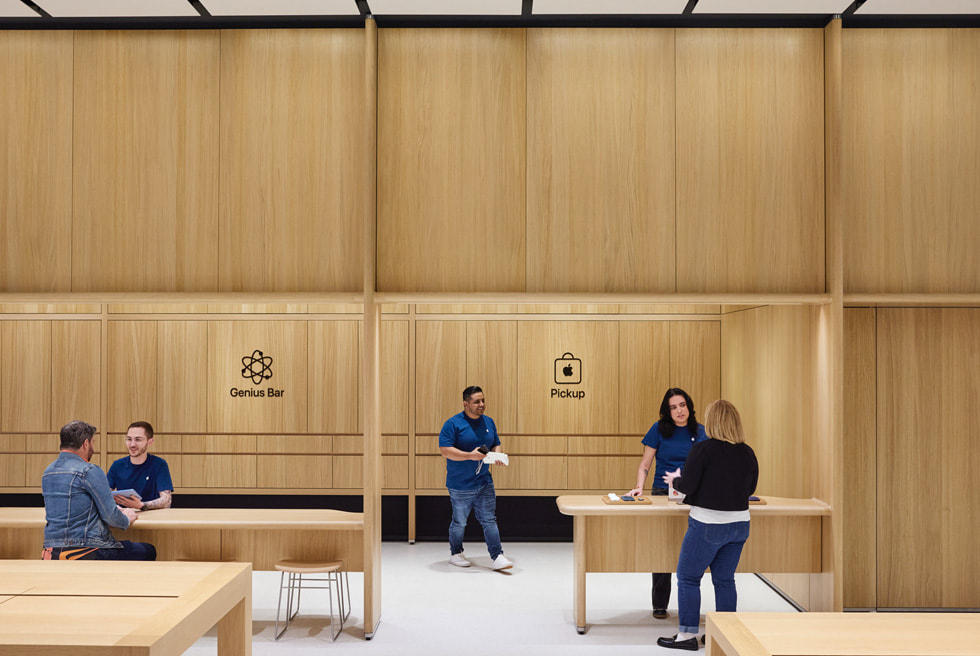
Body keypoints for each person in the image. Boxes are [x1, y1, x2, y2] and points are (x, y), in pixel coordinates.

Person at [657, 399, 759, 651]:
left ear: (713, 422)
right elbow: (750, 489)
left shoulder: (702, 450)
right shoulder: (748, 452)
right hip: (740, 525)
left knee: (688, 577)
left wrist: (676, 481)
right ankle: (725, 636)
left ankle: (686, 636)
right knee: (725, 580)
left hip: (707, 525)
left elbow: (688, 486)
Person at [627, 388, 708, 619]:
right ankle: (660, 603)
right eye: (673, 407)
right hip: (663, 493)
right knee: (661, 546)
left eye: (682, 405)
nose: (679, 411)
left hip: (692, 493)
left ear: (689, 406)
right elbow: (645, 464)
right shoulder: (658, 429)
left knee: (691, 547)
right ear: (667, 411)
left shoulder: (701, 431)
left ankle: (689, 604)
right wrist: (639, 486)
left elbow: (707, 464)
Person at [41, 420, 156, 560]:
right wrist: (127, 518)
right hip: (86, 550)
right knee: (148, 550)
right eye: (93, 442)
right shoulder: (89, 470)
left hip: (51, 551)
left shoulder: (48, 472)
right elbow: (112, 518)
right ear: (86, 443)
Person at [439, 385, 512, 571]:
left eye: (483, 400)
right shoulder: (453, 424)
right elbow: (445, 450)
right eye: (476, 401)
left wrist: (497, 455)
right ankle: (456, 553)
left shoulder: (489, 422)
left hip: (484, 481)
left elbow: (496, 443)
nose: (481, 404)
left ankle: (497, 556)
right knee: (460, 522)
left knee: (489, 519)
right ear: (466, 404)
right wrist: (469, 455)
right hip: (460, 485)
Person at [107, 421, 173, 510]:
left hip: (152, 515)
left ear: (150, 442)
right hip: (125, 516)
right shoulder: (117, 465)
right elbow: (103, 495)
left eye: (138, 439)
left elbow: (167, 501)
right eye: (129, 439)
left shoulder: (159, 465)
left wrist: (141, 505)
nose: (132, 444)